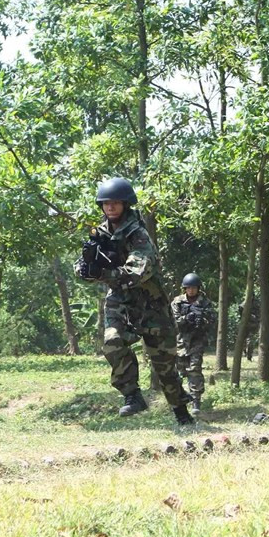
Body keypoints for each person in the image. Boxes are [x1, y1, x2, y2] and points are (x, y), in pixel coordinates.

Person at [75, 177, 195, 425]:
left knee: (164, 367)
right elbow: (83, 264)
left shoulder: (138, 234)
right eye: (106, 203)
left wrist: (103, 273)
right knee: (112, 342)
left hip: (151, 304)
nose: (110, 207)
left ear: (126, 204)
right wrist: (86, 269)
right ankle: (132, 395)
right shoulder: (100, 234)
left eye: (116, 202)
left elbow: (136, 273)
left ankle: (181, 413)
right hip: (119, 301)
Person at [171, 273, 216, 415]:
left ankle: (196, 400)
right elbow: (173, 321)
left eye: (194, 288)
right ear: (184, 288)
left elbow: (212, 321)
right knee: (179, 372)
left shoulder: (205, 303)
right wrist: (187, 318)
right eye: (188, 288)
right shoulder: (177, 302)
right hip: (180, 342)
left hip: (197, 341)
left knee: (194, 370)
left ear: (198, 288)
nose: (191, 290)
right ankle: (178, 400)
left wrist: (202, 320)